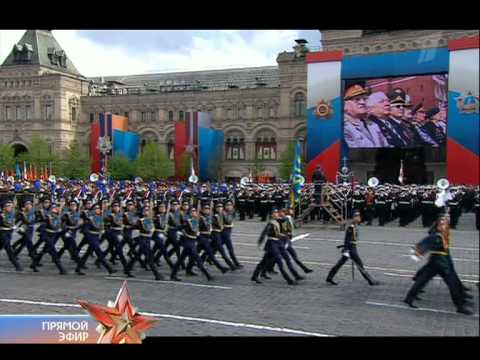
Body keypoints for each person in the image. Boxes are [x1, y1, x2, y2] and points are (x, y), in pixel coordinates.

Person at [403, 216, 473, 315]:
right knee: (451, 284)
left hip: (439, 262)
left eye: (446, 224)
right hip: (440, 263)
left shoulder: (442, 234)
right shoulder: (436, 236)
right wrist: (418, 251)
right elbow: (424, 244)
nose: (445, 226)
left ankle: (409, 298)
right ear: (438, 226)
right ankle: (460, 307)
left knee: (422, 280)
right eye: (443, 224)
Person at [326, 210, 380, 286]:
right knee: (359, 264)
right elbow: (347, 239)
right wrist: (346, 249)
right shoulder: (351, 227)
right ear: (353, 218)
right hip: (351, 248)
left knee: (340, 264)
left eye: (359, 216)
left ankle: (329, 277)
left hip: (351, 247)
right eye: (356, 216)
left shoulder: (354, 225)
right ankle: (370, 280)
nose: (358, 217)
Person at [251, 208, 298, 285]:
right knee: (279, 261)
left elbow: (285, 223)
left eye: (277, 213)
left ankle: (255, 275)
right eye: (274, 213)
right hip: (272, 243)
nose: (276, 214)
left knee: (264, 261)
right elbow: (266, 233)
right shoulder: (271, 223)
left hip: (279, 243)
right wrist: (260, 241)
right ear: (272, 215)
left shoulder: (279, 220)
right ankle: (289, 280)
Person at [170, 207, 213, 282]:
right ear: (189, 213)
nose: (194, 212)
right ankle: (208, 276)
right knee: (198, 258)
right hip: (188, 243)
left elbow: (196, 232)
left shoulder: (195, 221)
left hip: (192, 242)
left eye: (195, 211)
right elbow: (176, 229)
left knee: (181, 259)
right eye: (192, 211)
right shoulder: (188, 221)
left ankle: (173, 274)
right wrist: (179, 234)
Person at [0, 201, 23, 271]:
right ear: (4, 207)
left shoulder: (12, 214)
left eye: (11, 206)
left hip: (9, 233)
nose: (10, 208)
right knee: (8, 248)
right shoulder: (1, 215)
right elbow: (6, 223)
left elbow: (14, 221)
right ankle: (17, 265)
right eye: (8, 206)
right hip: (2, 233)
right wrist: (14, 226)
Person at [222, 200, 243, 269]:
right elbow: (228, 221)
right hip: (224, 232)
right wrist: (231, 212)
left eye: (231, 205)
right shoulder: (224, 213)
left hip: (228, 231)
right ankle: (236, 263)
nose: (230, 206)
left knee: (213, 248)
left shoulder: (229, 212)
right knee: (230, 248)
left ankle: (205, 259)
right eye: (228, 205)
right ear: (225, 206)